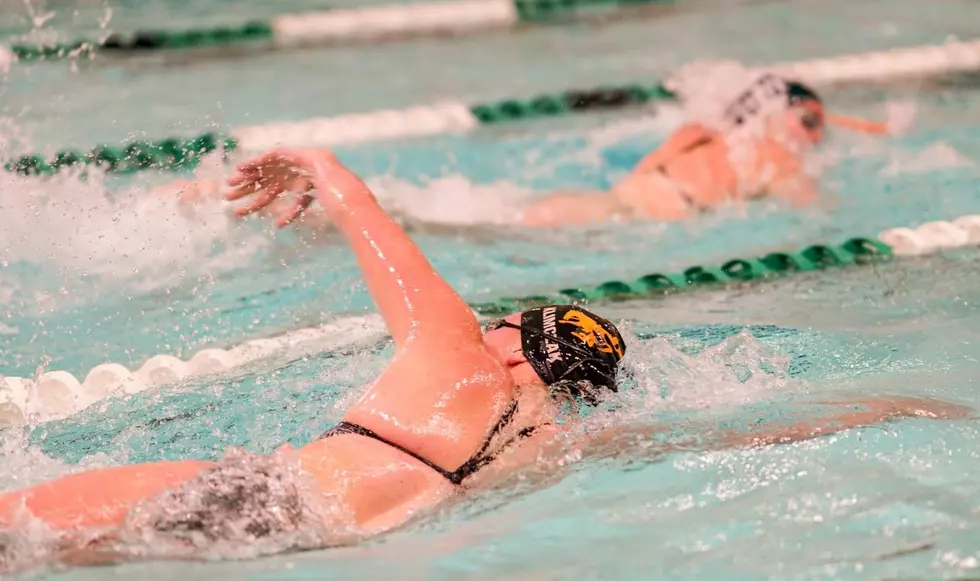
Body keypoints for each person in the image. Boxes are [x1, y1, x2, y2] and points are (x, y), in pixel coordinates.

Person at [0, 147, 968, 572]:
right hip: (317, 543)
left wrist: (325, 171)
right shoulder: (547, 440)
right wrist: (895, 404)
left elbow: (378, 237)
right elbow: (748, 425)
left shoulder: (457, 353)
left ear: (516, 339)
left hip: (264, 494)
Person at [521, 72, 897, 227]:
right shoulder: (777, 159)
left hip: (619, 197)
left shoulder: (704, 132)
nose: (815, 137)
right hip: (651, 216)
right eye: (811, 124)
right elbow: (815, 211)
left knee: (522, 220)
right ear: (777, 115)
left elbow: (647, 165)